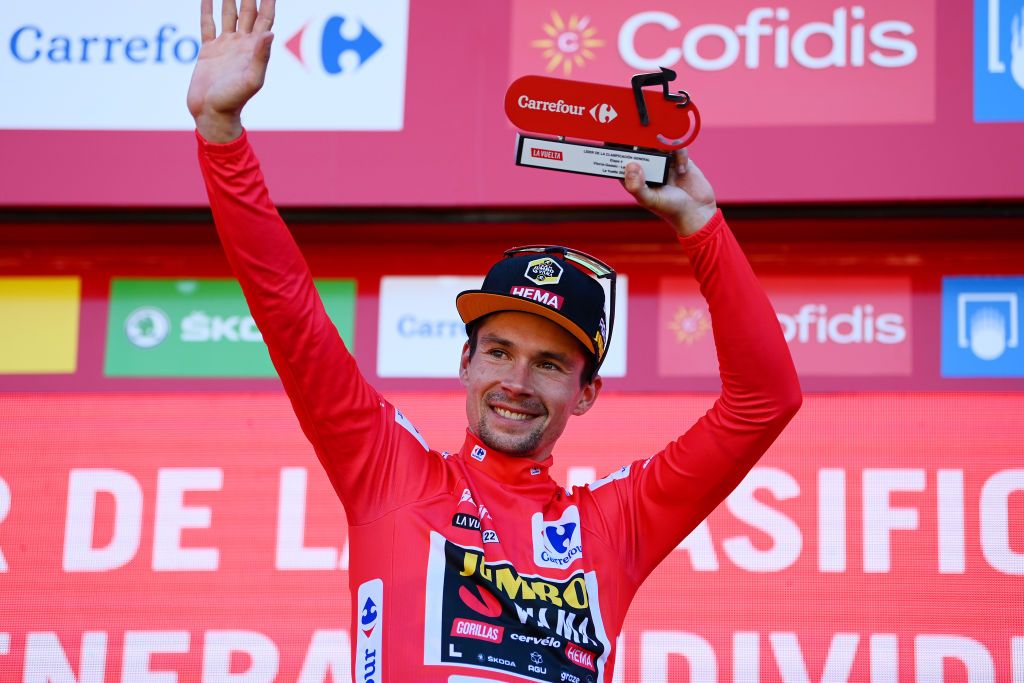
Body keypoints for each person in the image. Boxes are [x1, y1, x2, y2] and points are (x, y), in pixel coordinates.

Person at [187, 0, 802, 680]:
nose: (516, 381)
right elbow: (288, 308)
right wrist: (221, 134)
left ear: (586, 392)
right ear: (465, 361)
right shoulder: (390, 473)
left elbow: (766, 401)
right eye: (500, 351)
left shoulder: (612, 528)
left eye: (547, 363)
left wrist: (701, 223)